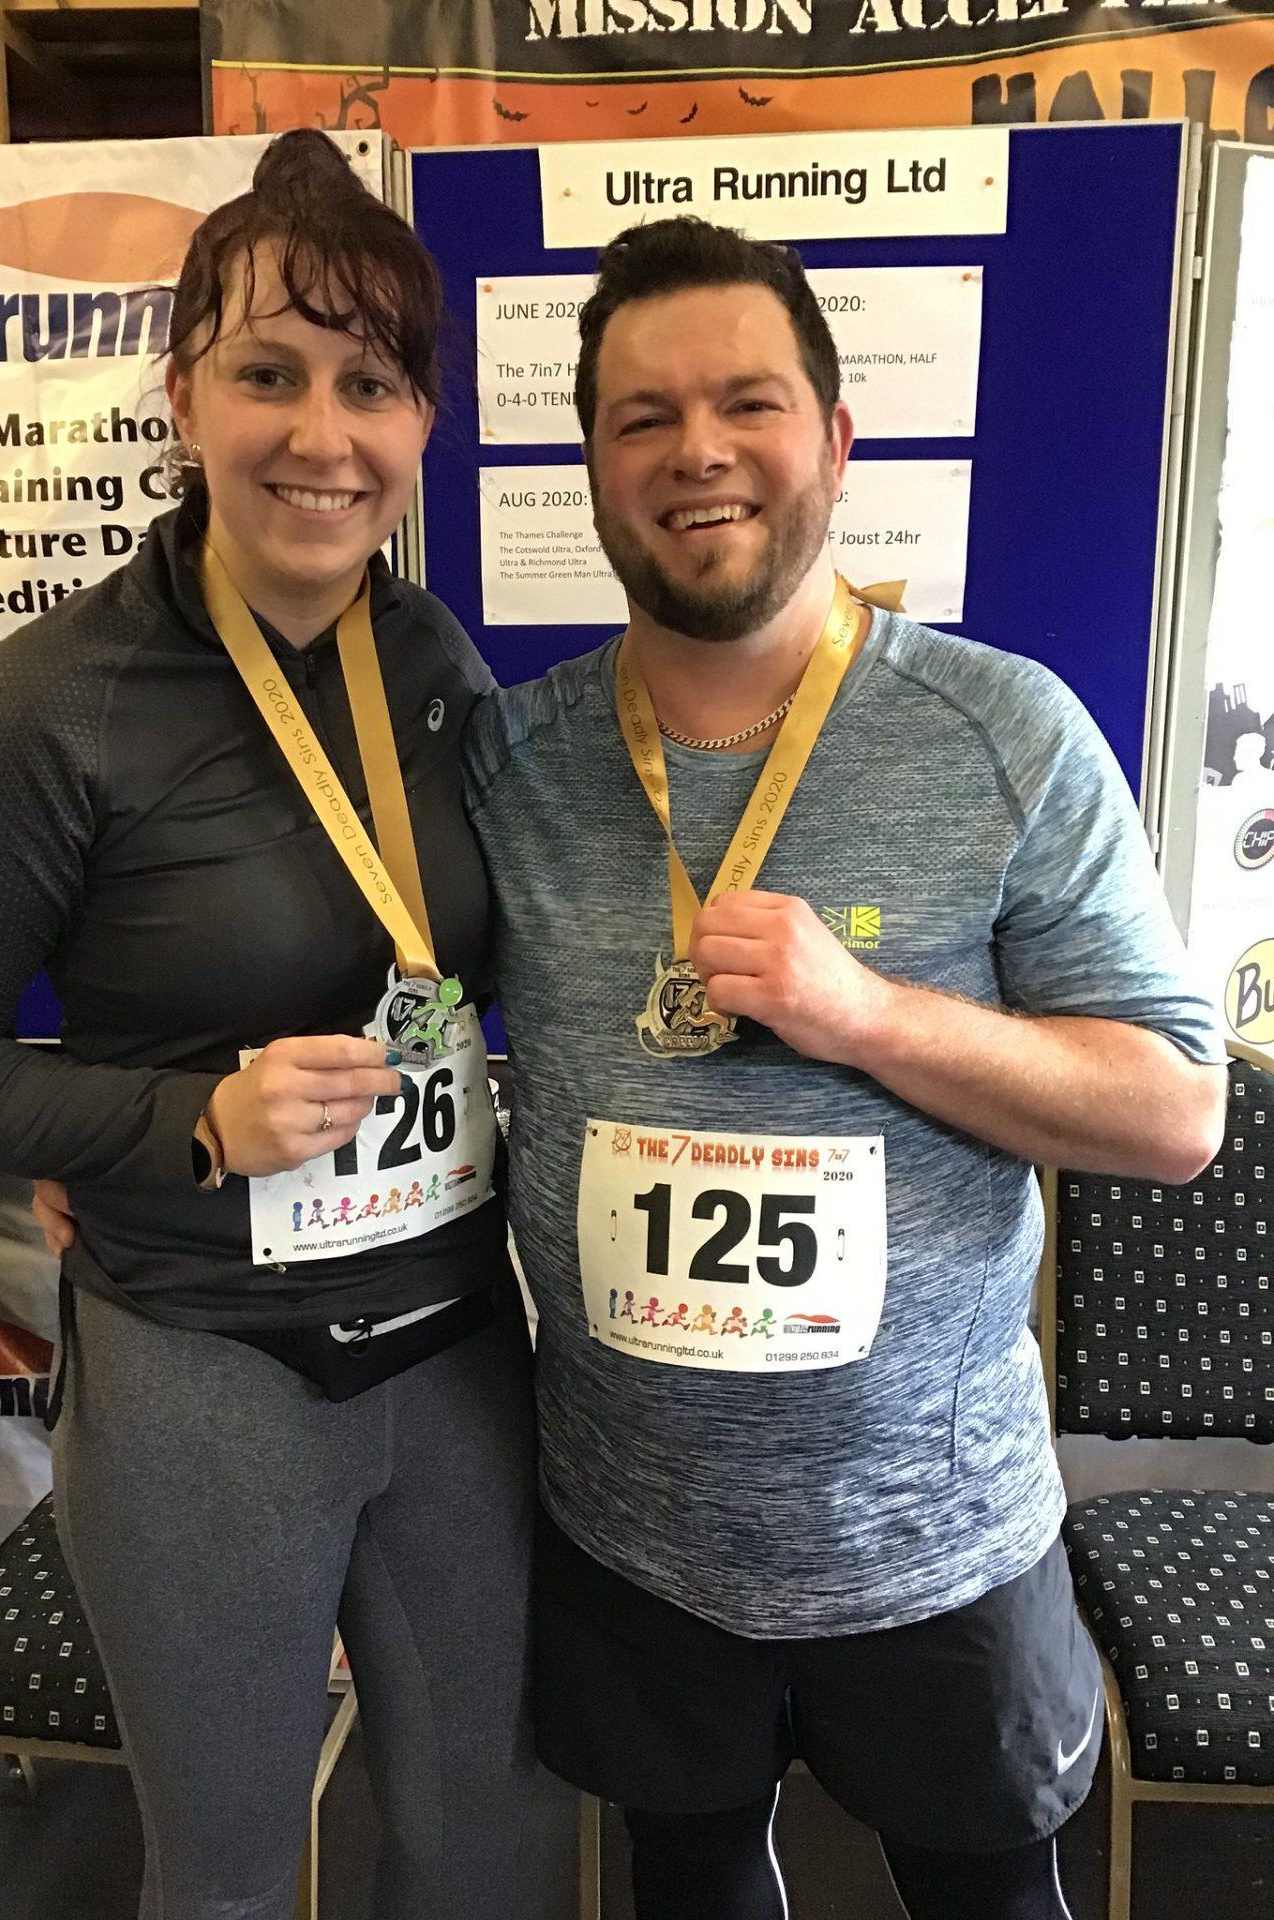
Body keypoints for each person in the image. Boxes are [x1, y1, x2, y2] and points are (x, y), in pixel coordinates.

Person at [461, 218, 1228, 1920]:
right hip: (628, 1537)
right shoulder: (511, 758)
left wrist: (867, 1014)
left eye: (748, 401)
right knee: (693, 1885)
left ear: (835, 439)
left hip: (935, 1540)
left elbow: (1178, 1111)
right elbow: (362, 987)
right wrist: (150, 1140)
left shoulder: (1003, 729)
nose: (698, 452)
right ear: (592, 461)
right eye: (642, 416)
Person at [0, 131, 535, 1920]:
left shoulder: (436, 663)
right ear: (182, 395)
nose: (323, 433)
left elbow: (471, 980)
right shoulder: (47, 708)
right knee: (224, 1877)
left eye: (370, 383)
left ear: (422, 420)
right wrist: (180, 1128)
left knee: (476, 1853)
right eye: (268, 373)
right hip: (209, 1368)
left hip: (455, 1349)